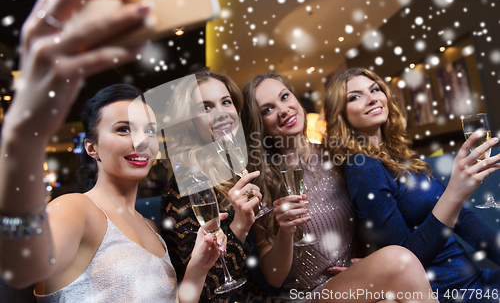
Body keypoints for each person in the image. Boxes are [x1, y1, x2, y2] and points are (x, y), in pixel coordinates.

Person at [0, 0, 224, 303]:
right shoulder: (76, 209)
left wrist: (199, 268)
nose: (141, 141)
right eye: (123, 129)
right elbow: (20, 269)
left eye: (149, 130)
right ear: (91, 147)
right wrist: (26, 133)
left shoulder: (151, 227)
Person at [240, 71, 440, 303]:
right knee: (400, 260)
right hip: (307, 295)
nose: (283, 110)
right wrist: (286, 232)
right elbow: (274, 278)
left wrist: (368, 263)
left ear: (296, 100)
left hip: (356, 286)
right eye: (268, 109)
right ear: (259, 124)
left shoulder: (338, 156)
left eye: (285, 97)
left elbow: (371, 220)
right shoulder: (260, 181)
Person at [324, 67, 500, 303]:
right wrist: (454, 195)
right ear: (341, 114)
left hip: (476, 281)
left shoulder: (398, 153)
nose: (372, 98)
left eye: (375, 89)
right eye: (355, 97)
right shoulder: (363, 167)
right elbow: (404, 263)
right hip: (444, 293)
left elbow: (462, 219)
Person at [161, 68, 278, 302]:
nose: (222, 114)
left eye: (226, 102)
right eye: (206, 107)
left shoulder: (229, 166)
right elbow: (208, 290)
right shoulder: (188, 182)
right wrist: (241, 225)